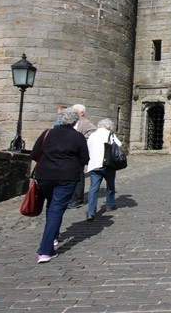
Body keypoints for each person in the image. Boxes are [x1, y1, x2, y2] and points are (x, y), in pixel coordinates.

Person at [31, 108, 89, 263]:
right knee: (56, 209)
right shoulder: (77, 137)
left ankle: (54, 236)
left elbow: (34, 154)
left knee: (52, 206)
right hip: (66, 177)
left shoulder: (47, 133)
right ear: (75, 122)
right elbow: (85, 158)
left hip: (44, 176)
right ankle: (45, 250)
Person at [85, 118, 121, 221]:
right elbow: (119, 145)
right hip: (108, 164)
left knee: (93, 189)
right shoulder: (110, 134)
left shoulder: (92, 135)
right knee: (110, 185)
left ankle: (91, 212)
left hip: (94, 165)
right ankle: (110, 205)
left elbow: (88, 148)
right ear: (109, 126)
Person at [67, 104, 97, 208]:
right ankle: (70, 197)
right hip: (69, 153)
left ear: (82, 113)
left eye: (75, 111)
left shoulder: (86, 123)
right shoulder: (72, 122)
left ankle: (77, 198)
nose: (73, 112)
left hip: (78, 153)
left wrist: (81, 141)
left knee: (79, 176)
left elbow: (93, 134)